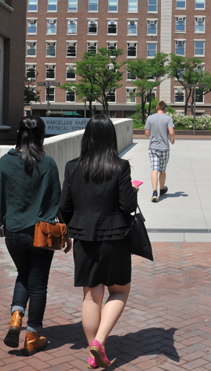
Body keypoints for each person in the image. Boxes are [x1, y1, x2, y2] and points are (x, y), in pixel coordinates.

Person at [0, 116, 70, 356]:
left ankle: (16, 317)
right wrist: (66, 228)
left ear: (18, 133)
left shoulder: (5, 163)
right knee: (38, 285)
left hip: (13, 233)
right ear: (42, 137)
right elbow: (56, 202)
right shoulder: (48, 163)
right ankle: (32, 336)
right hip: (41, 234)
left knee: (23, 274)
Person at [60, 115, 139, 369]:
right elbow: (127, 206)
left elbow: (64, 207)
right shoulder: (120, 166)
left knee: (91, 297)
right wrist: (134, 191)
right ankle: (99, 342)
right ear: (110, 138)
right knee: (120, 290)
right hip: (115, 237)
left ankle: (92, 351)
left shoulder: (72, 167)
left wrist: (76, 226)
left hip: (84, 238)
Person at [144, 101, 175, 203]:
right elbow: (171, 132)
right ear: (165, 109)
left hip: (153, 147)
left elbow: (147, 134)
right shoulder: (168, 118)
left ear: (157, 108)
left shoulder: (150, 118)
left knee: (154, 169)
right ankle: (161, 190)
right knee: (162, 170)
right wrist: (172, 140)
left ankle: (154, 192)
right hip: (164, 148)